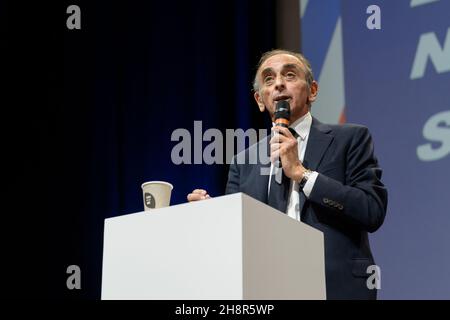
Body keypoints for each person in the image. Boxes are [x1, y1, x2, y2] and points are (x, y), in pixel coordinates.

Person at [187, 49, 388, 300]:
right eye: (269, 79)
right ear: (260, 99)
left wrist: (302, 174)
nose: (279, 83)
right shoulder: (244, 161)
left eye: (290, 75)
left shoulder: (350, 139)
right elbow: (238, 240)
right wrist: (216, 215)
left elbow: (371, 210)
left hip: (335, 287)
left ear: (312, 91)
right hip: (267, 289)